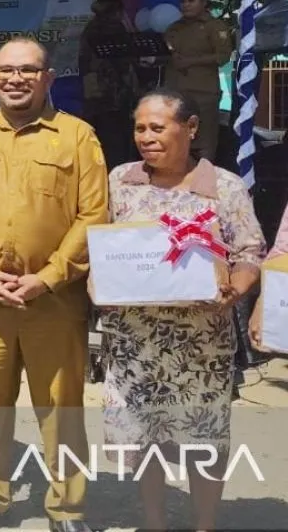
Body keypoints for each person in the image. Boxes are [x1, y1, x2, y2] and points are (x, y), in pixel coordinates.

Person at [0, 37, 108, 532]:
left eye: (28, 71)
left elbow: (94, 214)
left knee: (62, 410)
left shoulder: (77, 137)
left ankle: (68, 508)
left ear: (48, 77)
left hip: (54, 301)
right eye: (6, 71)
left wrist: (48, 277)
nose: (16, 79)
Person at [99, 88, 264, 532]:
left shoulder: (224, 186)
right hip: (135, 340)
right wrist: (98, 277)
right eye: (139, 128)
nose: (146, 137)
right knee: (144, 435)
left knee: (203, 437)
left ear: (190, 128)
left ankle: (203, 525)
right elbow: (100, 243)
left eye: (158, 127)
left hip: (201, 343)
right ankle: (154, 523)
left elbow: (250, 251)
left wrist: (237, 287)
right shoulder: (119, 180)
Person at [162, 0, 233, 163]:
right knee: (174, 136)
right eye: (183, 1)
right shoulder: (174, 28)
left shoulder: (215, 26)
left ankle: (204, 181)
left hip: (203, 92)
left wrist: (192, 61)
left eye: (191, 1)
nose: (186, 5)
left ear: (204, 2)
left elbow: (223, 56)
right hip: (175, 92)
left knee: (204, 140)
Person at [78, 0, 140, 169]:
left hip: (93, 91)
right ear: (118, 11)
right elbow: (123, 61)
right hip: (113, 94)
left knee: (97, 135)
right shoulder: (114, 27)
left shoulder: (90, 27)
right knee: (116, 140)